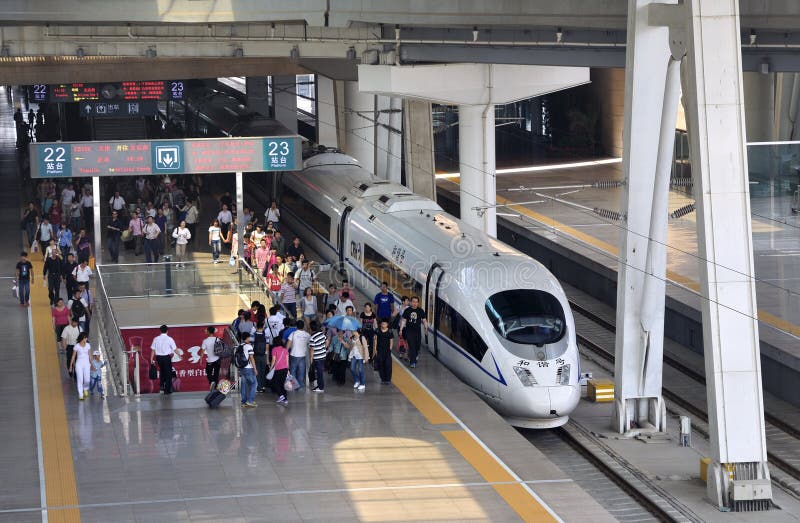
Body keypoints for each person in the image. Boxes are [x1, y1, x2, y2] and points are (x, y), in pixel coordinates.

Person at [400, 296, 428, 368]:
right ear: (411, 302)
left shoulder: (421, 311)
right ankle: (413, 362)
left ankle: (415, 354)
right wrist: (401, 329)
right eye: (413, 302)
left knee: (417, 346)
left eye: (416, 302)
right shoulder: (407, 310)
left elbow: (424, 320)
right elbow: (403, 320)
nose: (415, 303)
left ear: (418, 303)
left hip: (417, 331)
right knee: (412, 346)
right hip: (409, 331)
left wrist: (426, 328)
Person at [150, 325, 177, 394]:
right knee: (168, 373)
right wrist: (180, 356)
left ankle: (162, 386)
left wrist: (151, 359)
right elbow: (175, 349)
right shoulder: (169, 339)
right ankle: (167, 390)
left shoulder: (156, 339)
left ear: (160, 330)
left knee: (162, 371)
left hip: (159, 358)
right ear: (167, 331)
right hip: (166, 358)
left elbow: (153, 350)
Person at [286, 320, 309, 391]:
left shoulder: (293, 334)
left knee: (293, 371)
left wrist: (285, 353)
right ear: (303, 326)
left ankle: (294, 386)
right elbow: (310, 345)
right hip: (303, 355)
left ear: (296, 326)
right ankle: (300, 386)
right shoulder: (307, 335)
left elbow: (288, 346)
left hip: (294, 354)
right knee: (301, 371)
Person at [68, 332, 92, 400]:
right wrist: (70, 366)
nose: (86, 339)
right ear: (82, 338)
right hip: (79, 364)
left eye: (86, 337)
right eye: (85, 338)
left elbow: (90, 355)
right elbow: (73, 356)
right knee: (80, 379)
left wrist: (92, 364)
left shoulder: (88, 345)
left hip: (87, 364)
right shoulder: (77, 346)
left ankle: (85, 389)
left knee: (87, 380)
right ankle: (81, 394)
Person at [237, 332, 257, 408]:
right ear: (248, 338)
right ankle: (250, 401)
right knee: (254, 384)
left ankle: (244, 402)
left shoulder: (240, 346)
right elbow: (251, 358)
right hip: (248, 368)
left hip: (242, 368)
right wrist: (255, 369)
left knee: (244, 385)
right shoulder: (249, 346)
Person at [269, 336, 289, 405]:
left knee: (275, 382)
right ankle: (285, 399)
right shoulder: (285, 349)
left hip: (278, 369)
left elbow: (273, 360)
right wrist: (288, 369)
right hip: (285, 369)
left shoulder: (274, 349)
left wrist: (271, 368)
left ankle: (281, 395)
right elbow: (287, 360)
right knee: (283, 384)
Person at [374, 318, 394, 384]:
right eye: (382, 324)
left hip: (387, 350)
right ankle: (383, 379)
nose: (383, 325)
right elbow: (375, 340)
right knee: (380, 364)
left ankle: (388, 379)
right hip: (379, 350)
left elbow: (391, 341)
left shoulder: (390, 331)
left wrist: (390, 349)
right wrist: (375, 349)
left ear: (387, 324)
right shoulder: (377, 331)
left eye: (385, 324)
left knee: (388, 364)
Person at [309, 321, 327, 393]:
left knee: (319, 373)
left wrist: (311, 359)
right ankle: (319, 385)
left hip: (317, 358)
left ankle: (321, 387)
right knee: (320, 372)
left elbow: (312, 350)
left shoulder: (312, 338)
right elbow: (327, 340)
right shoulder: (321, 334)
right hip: (323, 355)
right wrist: (324, 348)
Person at [252, 323, 269, 393]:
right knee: (263, 371)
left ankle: (258, 387)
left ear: (256, 327)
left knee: (257, 371)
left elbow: (252, 346)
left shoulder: (253, 335)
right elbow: (267, 347)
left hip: (255, 356)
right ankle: (263, 386)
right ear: (263, 327)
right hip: (263, 356)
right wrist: (267, 359)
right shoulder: (266, 335)